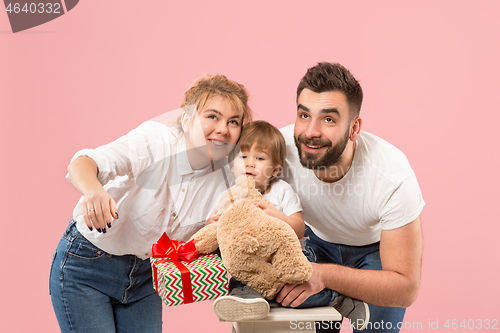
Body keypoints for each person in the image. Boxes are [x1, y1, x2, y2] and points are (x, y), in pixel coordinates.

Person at [49, 74, 252, 333]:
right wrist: (93, 191)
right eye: (212, 116)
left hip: (147, 277)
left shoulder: (230, 176)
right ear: (187, 118)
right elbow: (84, 162)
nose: (223, 129)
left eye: (233, 121)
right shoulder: (155, 141)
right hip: (87, 266)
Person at [275, 62, 425, 333]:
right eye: (304, 115)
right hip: (314, 243)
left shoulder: (392, 174)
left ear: (354, 128)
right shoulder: (278, 149)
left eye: (329, 119)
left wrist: (323, 276)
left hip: (377, 251)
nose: (311, 132)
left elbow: (405, 288)